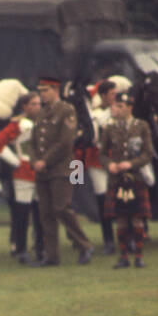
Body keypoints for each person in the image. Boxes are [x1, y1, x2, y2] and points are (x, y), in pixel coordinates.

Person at [31, 75, 93, 266]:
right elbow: (33, 141)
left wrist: (45, 160)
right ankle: (51, 255)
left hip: (62, 169)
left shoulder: (66, 110)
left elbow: (65, 142)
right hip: (43, 171)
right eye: (40, 91)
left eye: (45, 91)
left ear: (55, 90)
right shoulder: (41, 113)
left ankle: (84, 245)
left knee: (62, 208)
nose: (42, 95)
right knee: (46, 213)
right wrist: (35, 160)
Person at [99, 88, 155, 267]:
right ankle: (123, 257)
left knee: (137, 217)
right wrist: (110, 165)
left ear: (130, 107)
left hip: (136, 178)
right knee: (121, 219)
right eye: (116, 106)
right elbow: (101, 154)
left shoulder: (142, 126)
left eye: (121, 106)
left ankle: (139, 256)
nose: (117, 109)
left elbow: (148, 153)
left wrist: (131, 164)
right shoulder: (109, 128)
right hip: (116, 180)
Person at [0, 91, 44, 264]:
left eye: (38, 103)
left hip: (42, 172)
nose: (37, 107)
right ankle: (21, 249)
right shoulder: (18, 124)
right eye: (33, 104)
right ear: (25, 107)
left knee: (40, 212)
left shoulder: (45, 121)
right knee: (22, 212)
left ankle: (40, 248)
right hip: (24, 173)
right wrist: (15, 161)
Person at [84, 77, 118, 254]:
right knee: (103, 200)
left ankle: (129, 236)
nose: (115, 96)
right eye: (112, 93)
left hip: (118, 159)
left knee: (124, 197)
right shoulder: (94, 114)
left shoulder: (120, 111)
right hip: (98, 161)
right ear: (103, 95)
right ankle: (109, 240)